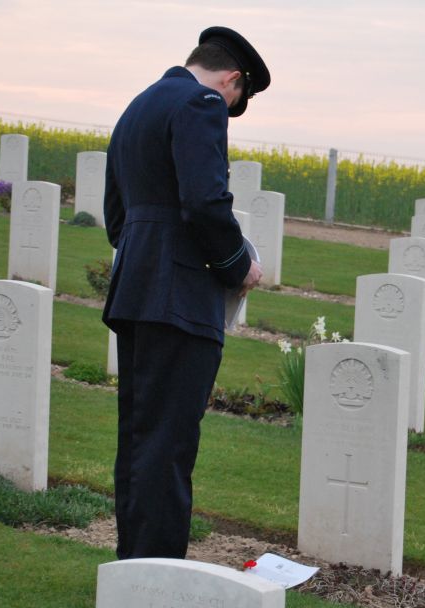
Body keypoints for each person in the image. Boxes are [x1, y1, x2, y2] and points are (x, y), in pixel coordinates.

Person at [102, 26, 270, 559]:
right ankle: (157, 572)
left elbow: (116, 214)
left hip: (136, 287)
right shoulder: (200, 102)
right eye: (237, 98)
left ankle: (135, 563)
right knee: (170, 443)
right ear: (232, 79)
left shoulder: (140, 103)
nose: (230, 106)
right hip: (179, 295)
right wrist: (236, 264)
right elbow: (204, 201)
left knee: (140, 438)